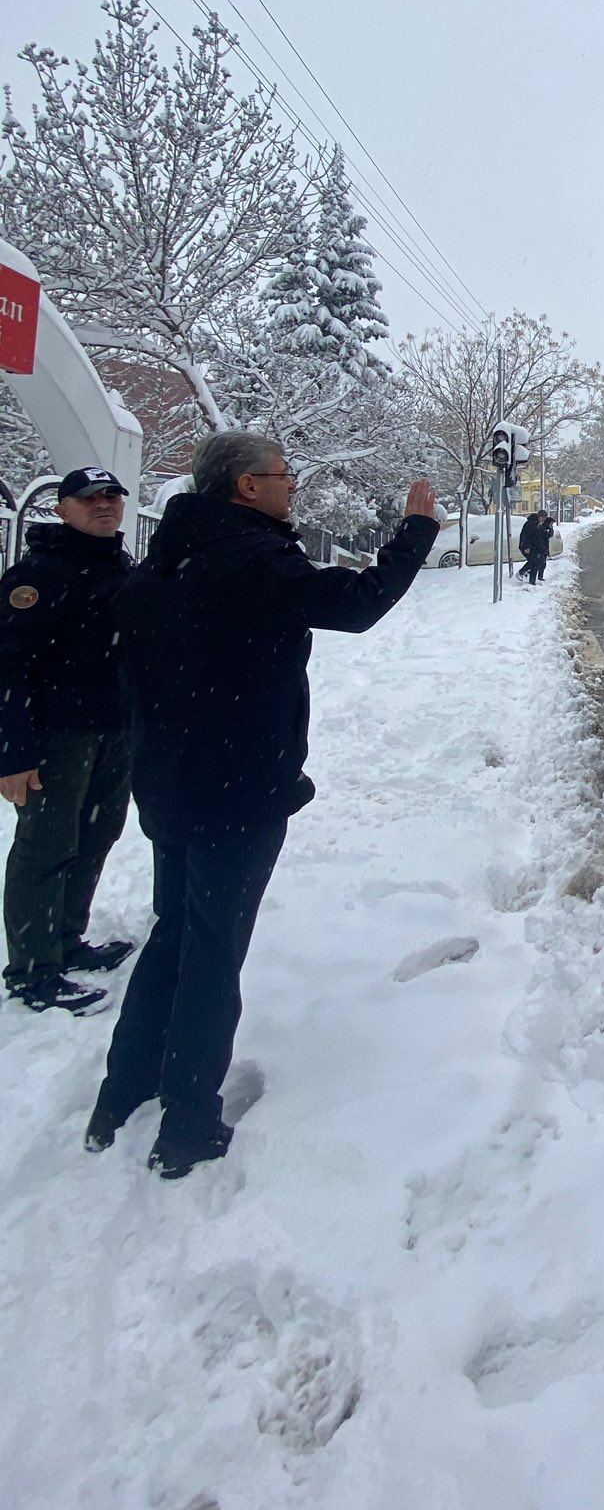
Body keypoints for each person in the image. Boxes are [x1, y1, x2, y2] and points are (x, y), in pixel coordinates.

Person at [85, 432, 438, 1179]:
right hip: (235, 790)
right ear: (247, 487)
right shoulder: (249, 559)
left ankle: (122, 1092)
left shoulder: (162, 560)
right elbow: (358, 603)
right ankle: (187, 1125)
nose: (293, 486)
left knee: (174, 934)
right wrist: (415, 532)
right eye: (283, 476)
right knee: (213, 951)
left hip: (172, 787)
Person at [0, 466, 136, 1015]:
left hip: (115, 730)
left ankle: (66, 940)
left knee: (97, 834)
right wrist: (12, 753)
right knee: (47, 846)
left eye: (112, 496)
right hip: (57, 737)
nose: (104, 505)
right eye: (89, 498)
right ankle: (33, 970)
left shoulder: (123, 567)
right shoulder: (39, 576)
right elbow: (6, 667)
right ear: (62, 508)